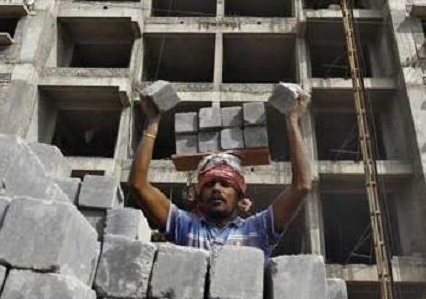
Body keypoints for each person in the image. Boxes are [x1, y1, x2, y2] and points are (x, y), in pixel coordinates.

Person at [128, 94, 311, 259]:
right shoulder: (184, 226)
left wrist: (292, 120)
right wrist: (153, 122)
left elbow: (301, 186)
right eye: (209, 184)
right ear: (199, 195)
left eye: (225, 183)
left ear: (239, 195)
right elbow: (138, 185)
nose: (216, 188)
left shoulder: (258, 229)